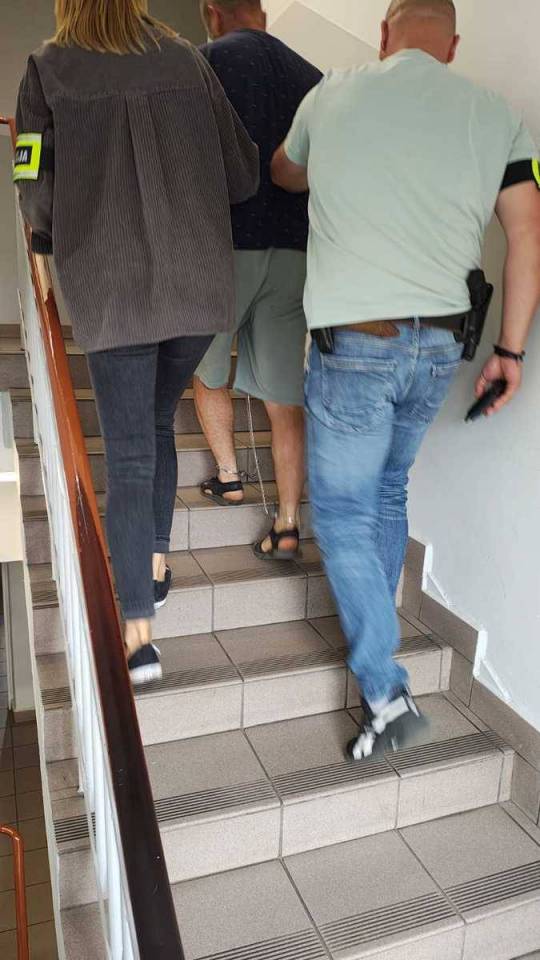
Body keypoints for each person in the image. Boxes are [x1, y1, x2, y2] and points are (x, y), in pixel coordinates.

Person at [272, 0, 540, 756]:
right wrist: (511, 351)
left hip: (357, 343)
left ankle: (385, 690)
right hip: (441, 346)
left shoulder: (333, 93)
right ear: (452, 46)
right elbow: (527, 230)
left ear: (384, 34)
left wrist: (326, 161)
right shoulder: (496, 115)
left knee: (344, 513)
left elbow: (283, 173)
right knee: (388, 491)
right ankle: (376, 642)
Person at [15, 0, 259, 684]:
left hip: (112, 282)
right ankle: (151, 562)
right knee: (154, 422)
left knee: (127, 453)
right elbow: (242, 173)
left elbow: (31, 179)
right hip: (196, 284)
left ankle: (138, 637)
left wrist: (47, 236)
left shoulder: (48, 68)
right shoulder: (186, 60)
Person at [194, 0, 321, 559]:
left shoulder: (206, 61)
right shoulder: (312, 76)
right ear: (263, 12)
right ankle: (288, 522)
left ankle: (229, 476)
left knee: (207, 369)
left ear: (212, 11)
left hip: (227, 245)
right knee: (283, 394)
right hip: (294, 250)